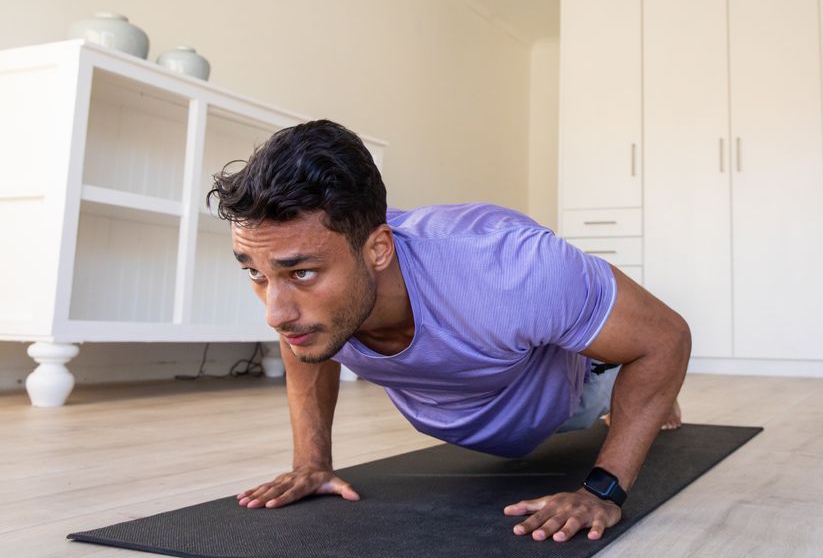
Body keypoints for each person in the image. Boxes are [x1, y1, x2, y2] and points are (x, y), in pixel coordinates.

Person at [209, 119, 690, 543]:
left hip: (564, 398)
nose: (274, 312)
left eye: (301, 274)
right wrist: (311, 463)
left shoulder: (512, 264)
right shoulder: (307, 304)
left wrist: (602, 490)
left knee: (624, 360)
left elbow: (667, 337)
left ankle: (644, 386)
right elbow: (303, 345)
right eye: (256, 273)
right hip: (466, 407)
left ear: (378, 249)